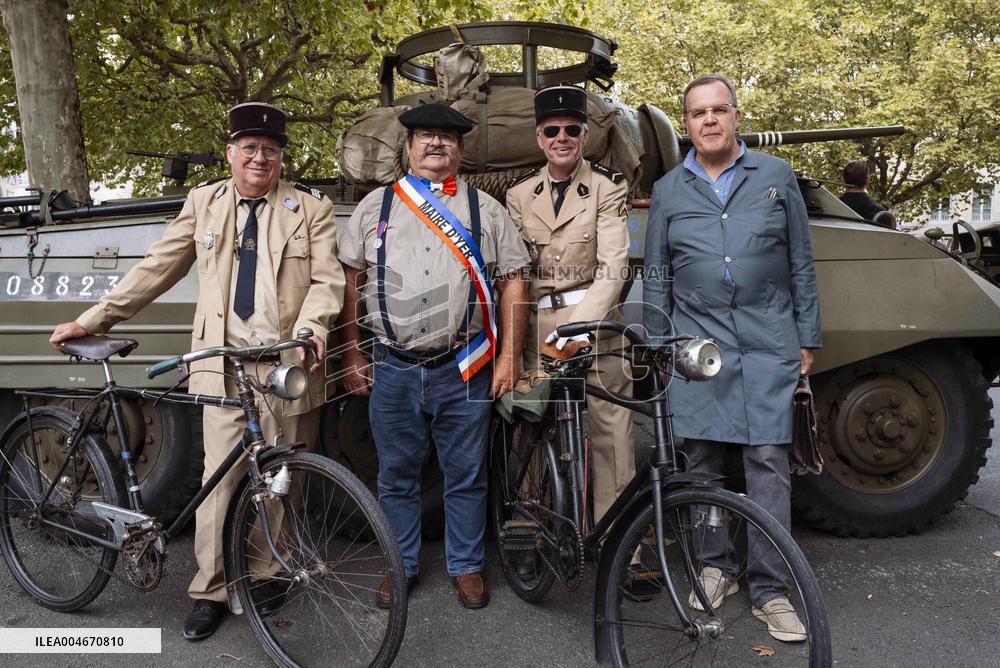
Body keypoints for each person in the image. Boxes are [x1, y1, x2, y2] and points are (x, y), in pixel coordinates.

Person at [49, 102, 345, 641]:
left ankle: (263, 572)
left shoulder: (310, 209)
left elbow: (327, 283)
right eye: (249, 148)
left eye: (271, 150)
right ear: (231, 152)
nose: (260, 158)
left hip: (285, 363)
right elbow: (156, 269)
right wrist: (91, 319)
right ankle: (209, 589)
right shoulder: (203, 203)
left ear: (281, 158)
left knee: (281, 477)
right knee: (221, 480)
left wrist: (311, 332)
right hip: (222, 365)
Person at [642, 74, 821, 643]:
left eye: (720, 110)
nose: (710, 121)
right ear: (687, 123)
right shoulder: (669, 189)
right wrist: (660, 343)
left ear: (736, 116)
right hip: (698, 345)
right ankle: (715, 566)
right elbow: (656, 275)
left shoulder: (774, 176)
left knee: (769, 467)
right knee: (703, 464)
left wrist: (807, 337)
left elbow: (800, 263)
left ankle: (771, 588)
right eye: (698, 113)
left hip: (769, 340)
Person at [337, 103, 530, 609]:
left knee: (466, 474)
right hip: (392, 365)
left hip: (463, 364)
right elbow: (349, 281)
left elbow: (513, 282)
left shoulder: (485, 211)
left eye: (446, 137)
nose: (436, 144)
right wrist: (352, 353)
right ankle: (399, 565)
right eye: (425, 136)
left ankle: (466, 567)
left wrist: (509, 357)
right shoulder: (376, 206)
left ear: (460, 150)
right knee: (396, 475)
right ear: (408, 147)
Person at [506, 85, 635, 527]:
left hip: (596, 324)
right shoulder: (519, 196)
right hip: (538, 326)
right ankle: (532, 526)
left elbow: (614, 267)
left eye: (572, 130)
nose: (562, 138)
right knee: (532, 423)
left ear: (583, 136)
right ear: (540, 138)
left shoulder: (606, 189)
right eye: (552, 130)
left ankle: (618, 539)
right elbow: (517, 271)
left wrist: (580, 325)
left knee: (611, 430)